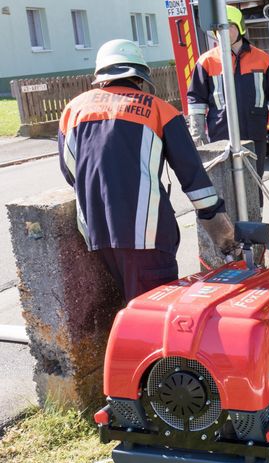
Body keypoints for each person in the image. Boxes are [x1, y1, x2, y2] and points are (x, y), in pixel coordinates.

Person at [58, 40, 237, 302]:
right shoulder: (160, 110)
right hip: (148, 237)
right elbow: (194, 179)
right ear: (140, 77)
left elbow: (69, 172)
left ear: (101, 75)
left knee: (130, 307)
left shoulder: (73, 110)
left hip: (96, 232)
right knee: (155, 310)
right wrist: (222, 232)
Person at [186, 5, 269, 202]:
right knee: (224, 186)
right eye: (219, 28)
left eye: (229, 26)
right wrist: (197, 132)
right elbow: (196, 100)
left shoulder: (262, 59)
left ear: (240, 27)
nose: (223, 32)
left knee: (253, 183)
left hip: (254, 134)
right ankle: (231, 222)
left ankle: (255, 219)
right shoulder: (206, 61)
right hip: (220, 135)